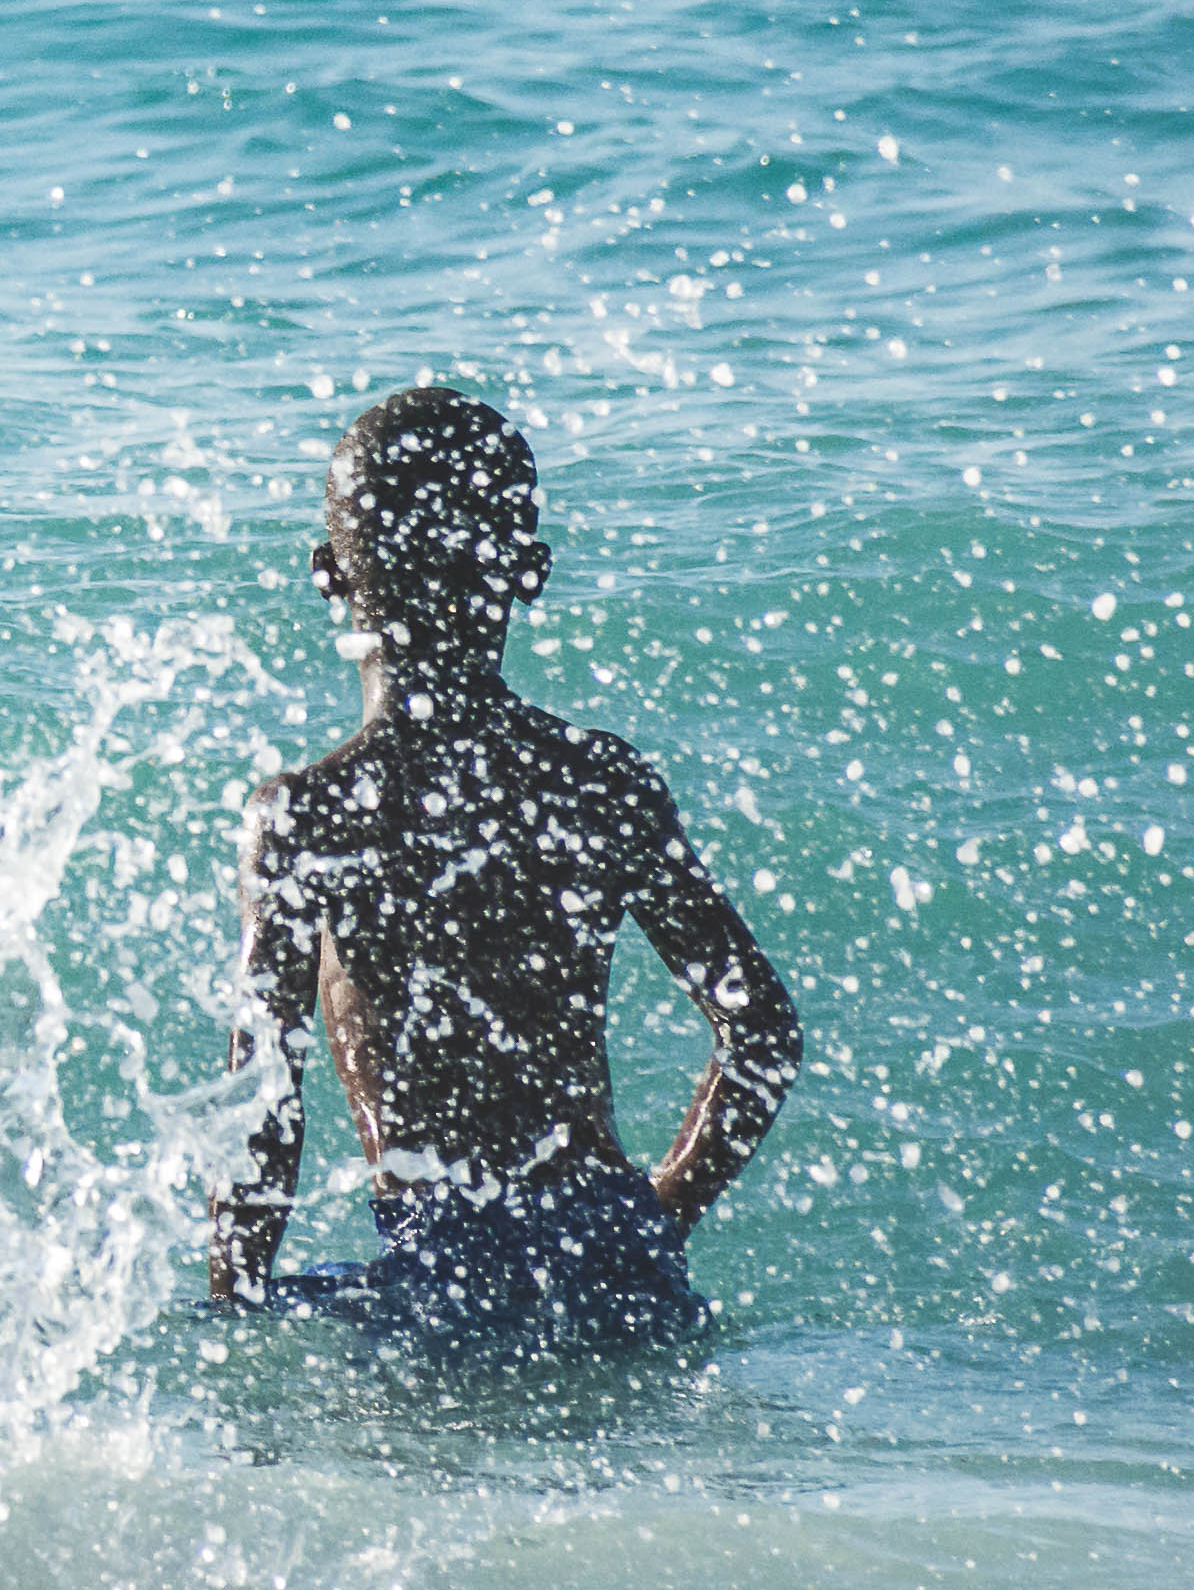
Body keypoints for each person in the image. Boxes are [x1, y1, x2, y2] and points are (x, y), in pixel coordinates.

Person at [206, 384, 807, 1355]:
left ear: (328, 573)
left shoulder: (307, 816)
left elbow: (263, 1106)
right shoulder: (600, 783)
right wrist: (659, 1216)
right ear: (528, 571)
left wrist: (233, 1314)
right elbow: (762, 1032)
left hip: (443, 1271)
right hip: (614, 1253)